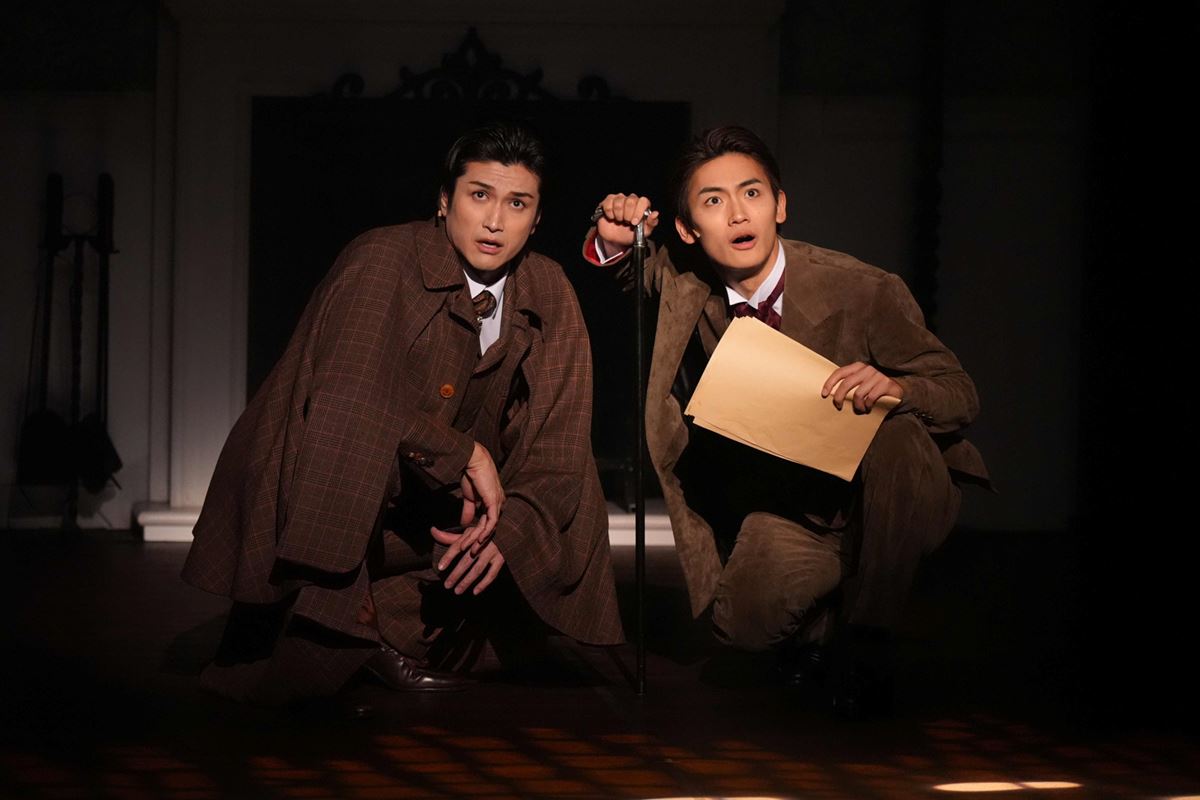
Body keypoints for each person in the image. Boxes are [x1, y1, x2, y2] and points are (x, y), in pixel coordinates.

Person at [183, 121, 623, 706]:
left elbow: (559, 438)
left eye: (517, 204)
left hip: (435, 514)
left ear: (536, 220)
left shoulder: (547, 286)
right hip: (332, 486)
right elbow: (347, 393)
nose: (495, 221)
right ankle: (330, 629)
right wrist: (464, 454)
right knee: (352, 435)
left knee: (535, 582)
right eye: (479, 195)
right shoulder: (383, 257)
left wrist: (512, 532)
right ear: (444, 201)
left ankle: (361, 623)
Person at [586, 125, 988, 717]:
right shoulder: (689, 283)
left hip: (893, 491)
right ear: (688, 229)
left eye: (751, 193)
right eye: (713, 201)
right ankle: (825, 619)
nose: (737, 214)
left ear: (779, 205)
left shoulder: (864, 289)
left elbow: (960, 393)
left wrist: (899, 388)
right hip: (799, 508)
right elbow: (632, 269)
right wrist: (611, 235)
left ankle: (870, 641)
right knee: (741, 626)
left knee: (897, 432)